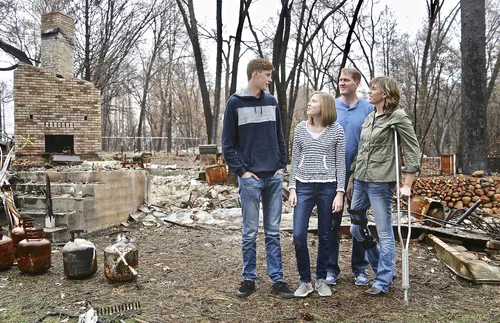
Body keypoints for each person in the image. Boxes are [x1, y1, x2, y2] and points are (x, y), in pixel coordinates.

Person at [221, 58, 294, 299]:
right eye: (267, 75)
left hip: (273, 177)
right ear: (255, 75)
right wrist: (242, 172)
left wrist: (281, 166)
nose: (270, 79)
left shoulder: (272, 102)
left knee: (273, 231)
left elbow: (279, 137)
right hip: (250, 179)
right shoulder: (235, 103)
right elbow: (228, 144)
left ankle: (278, 279)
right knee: (250, 232)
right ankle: (249, 278)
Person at [348, 76, 420, 296]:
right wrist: (352, 176)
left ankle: (382, 281)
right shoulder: (370, 118)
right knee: (356, 227)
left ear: (384, 94)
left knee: (384, 232)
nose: (369, 92)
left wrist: (407, 183)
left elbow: (412, 150)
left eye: (373, 89)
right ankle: (384, 268)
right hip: (361, 178)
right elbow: (362, 151)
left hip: (381, 181)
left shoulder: (397, 117)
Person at [288, 91, 345, 297]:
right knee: (298, 235)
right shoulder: (301, 129)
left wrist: (340, 192)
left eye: (314, 101)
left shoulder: (337, 131)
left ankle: (321, 279)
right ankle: (305, 281)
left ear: (325, 106)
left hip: (328, 188)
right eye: (310, 101)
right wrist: (292, 188)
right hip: (303, 186)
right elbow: (294, 160)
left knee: (326, 235)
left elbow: (341, 164)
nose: (309, 104)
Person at [326, 68, 373, 287]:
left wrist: (355, 174)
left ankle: (360, 269)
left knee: (358, 223)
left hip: (359, 175)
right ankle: (330, 270)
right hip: (331, 175)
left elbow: (369, 144)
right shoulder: (331, 106)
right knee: (331, 223)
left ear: (357, 83)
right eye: (339, 80)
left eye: (346, 80)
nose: (341, 83)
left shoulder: (368, 109)